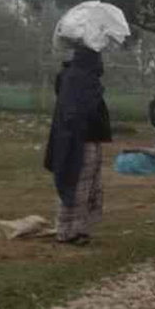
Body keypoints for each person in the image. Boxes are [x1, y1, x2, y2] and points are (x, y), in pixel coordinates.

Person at [44, 47, 112, 245]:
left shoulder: (73, 77)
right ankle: (68, 231)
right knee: (77, 183)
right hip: (78, 140)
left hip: (82, 138)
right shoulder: (78, 80)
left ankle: (79, 229)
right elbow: (80, 110)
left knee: (87, 185)